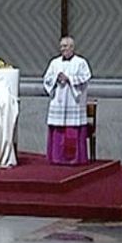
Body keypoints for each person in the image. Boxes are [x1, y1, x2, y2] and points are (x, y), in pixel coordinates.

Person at [42, 36, 91, 166]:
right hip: (58, 100)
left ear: (72, 47)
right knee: (58, 129)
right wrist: (56, 78)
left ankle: (74, 159)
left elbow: (86, 78)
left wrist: (69, 78)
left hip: (73, 101)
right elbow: (47, 79)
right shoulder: (54, 62)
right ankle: (57, 158)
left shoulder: (81, 62)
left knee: (72, 129)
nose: (62, 48)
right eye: (61, 46)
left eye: (65, 46)